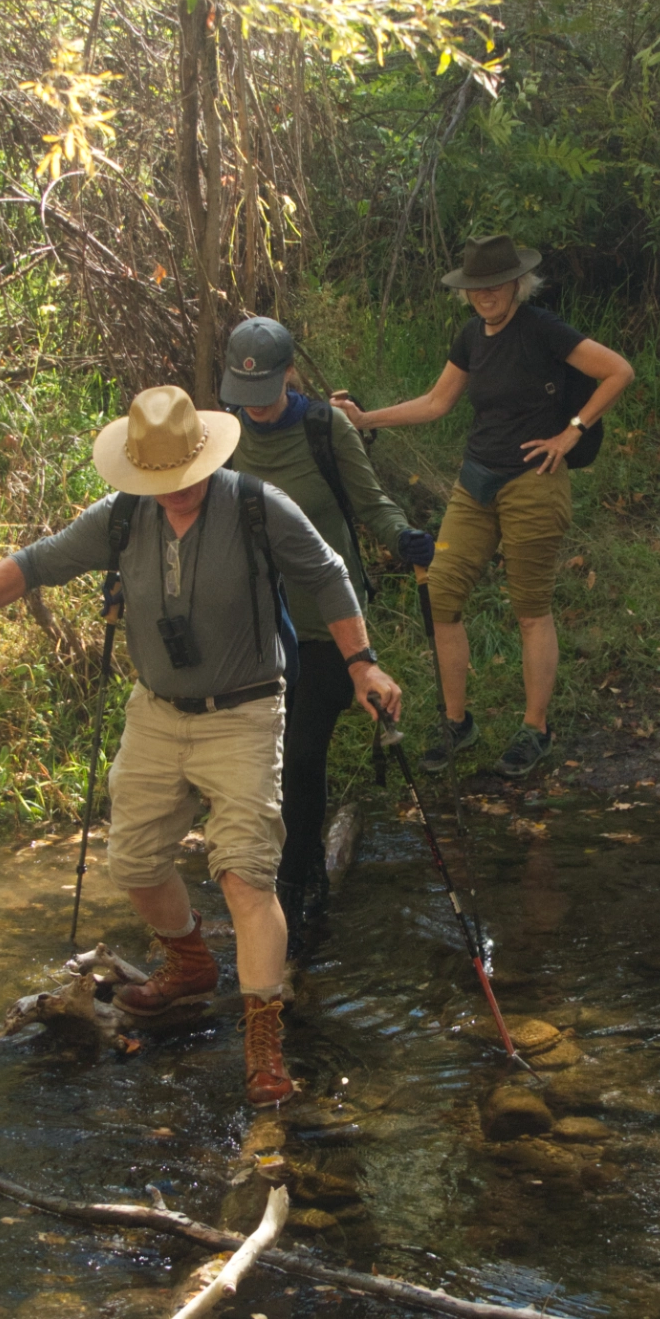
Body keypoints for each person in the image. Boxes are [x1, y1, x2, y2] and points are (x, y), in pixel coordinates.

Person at [0, 385, 403, 1106]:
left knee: (243, 873)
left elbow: (327, 575)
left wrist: (361, 662)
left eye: (186, 477)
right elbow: (36, 563)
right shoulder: (120, 519)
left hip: (244, 712)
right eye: (160, 482)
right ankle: (190, 962)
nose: (175, 492)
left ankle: (263, 1039)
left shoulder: (255, 505)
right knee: (136, 860)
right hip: (156, 713)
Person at [333, 234, 633, 778]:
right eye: (477, 286)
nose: (487, 294)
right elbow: (436, 401)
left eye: (496, 283)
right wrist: (364, 419)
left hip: (534, 482)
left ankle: (535, 728)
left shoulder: (543, 328)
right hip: (475, 483)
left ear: (517, 283)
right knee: (443, 596)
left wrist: (570, 434)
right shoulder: (472, 335)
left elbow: (618, 371)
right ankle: (456, 723)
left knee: (530, 607)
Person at [220, 317, 437, 947]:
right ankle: (276, 873)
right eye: (242, 393)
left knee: (304, 754)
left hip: (325, 625)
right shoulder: (225, 434)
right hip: (254, 623)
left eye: (263, 393)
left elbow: (369, 502)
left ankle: (300, 882)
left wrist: (401, 536)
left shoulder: (325, 426)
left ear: (290, 373)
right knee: (265, 758)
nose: (254, 409)